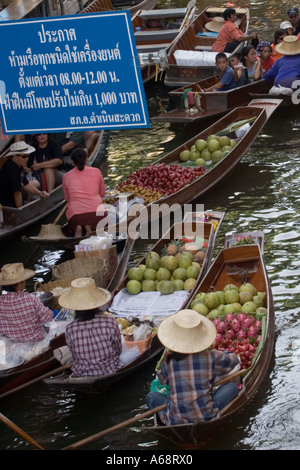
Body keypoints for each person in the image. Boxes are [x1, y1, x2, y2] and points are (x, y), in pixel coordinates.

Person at [145, 309, 240, 424]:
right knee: (232, 387)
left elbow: (161, 380)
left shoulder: (168, 361)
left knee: (151, 397)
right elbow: (234, 360)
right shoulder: (211, 357)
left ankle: (171, 422)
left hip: (175, 419)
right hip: (205, 415)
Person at [58, 277, 139, 377]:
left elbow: (74, 355)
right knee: (135, 352)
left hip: (82, 373)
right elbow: (117, 350)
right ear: (98, 305)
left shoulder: (70, 328)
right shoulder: (109, 321)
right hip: (110, 370)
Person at [0, 263, 53, 343]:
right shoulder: (30, 298)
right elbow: (47, 317)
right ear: (20, 283)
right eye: (23, 280)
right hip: (37, 340)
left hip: (15, 344)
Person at [62, 148, 107, 237]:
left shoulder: (66, 176)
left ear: (72, 162)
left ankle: (79, 227)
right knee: (98, 219)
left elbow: (67, 199)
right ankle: (88, 226)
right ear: (86, 160)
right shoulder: (96, 171)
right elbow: (102, 193)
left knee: (77, 220)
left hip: (76, 216)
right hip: (97, 213)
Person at [0, 141, 49, 208]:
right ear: (14, 156)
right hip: (7, 203)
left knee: (36, 184)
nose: (27, 159)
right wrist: (20, 210)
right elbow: (17, 193)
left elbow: (25, 183)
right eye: (24, 157)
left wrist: (40, 193)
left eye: (27, 156)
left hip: (11, 198)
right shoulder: (11, 169)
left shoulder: (18, 165)